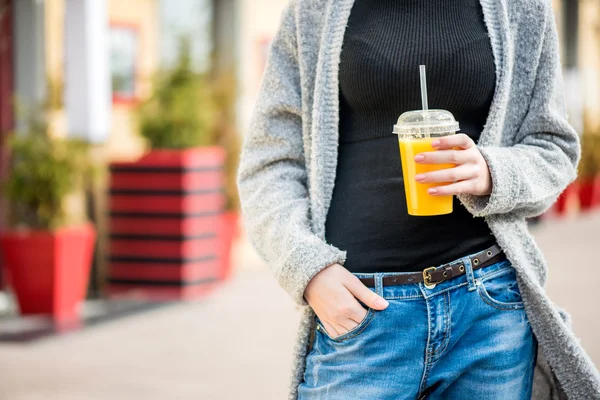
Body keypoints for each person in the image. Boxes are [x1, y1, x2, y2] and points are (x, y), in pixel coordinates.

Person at [237, 0, 600, 399]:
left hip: (488, 309)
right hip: (362, 313)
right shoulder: (315, 10)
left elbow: (554, 147)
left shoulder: (522, 8)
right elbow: (269, 163)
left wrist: (493, 172)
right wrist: (308, 271)